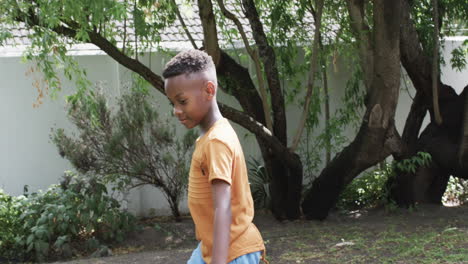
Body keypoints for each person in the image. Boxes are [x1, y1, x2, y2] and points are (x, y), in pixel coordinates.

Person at [163, 49, 267, 264]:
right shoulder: (211, 136)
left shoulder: (216, 141)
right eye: (172, 103)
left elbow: (223, 206)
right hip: (212, 246)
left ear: (209, 90)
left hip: (233, 251)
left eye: (182, 101)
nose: (176, 110)